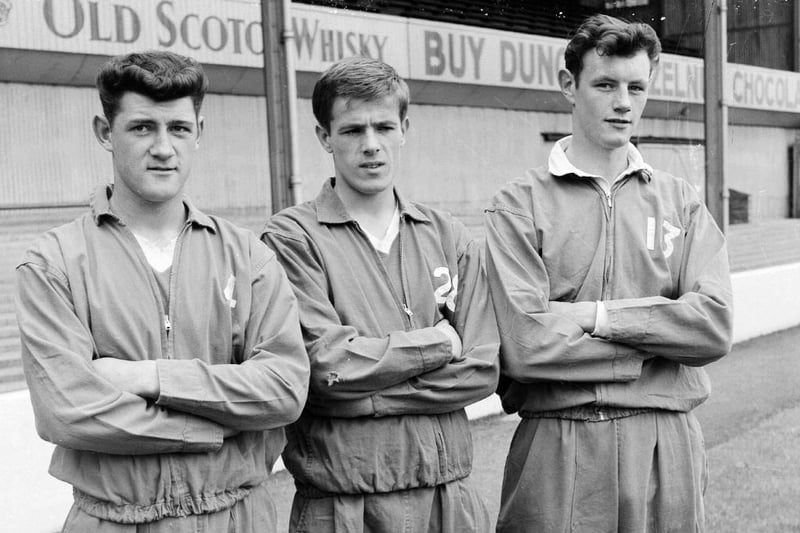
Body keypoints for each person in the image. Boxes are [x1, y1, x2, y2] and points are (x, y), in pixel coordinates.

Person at [15, 50, 310, 532]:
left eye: (178, 128)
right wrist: (217, 425)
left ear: (200, 132)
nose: (163, 147)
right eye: (142, 128)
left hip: (238, 517)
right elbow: (68, 411)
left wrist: (150, 377)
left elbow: (284, 390)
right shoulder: (53, 263)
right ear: (105, 132)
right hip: (113, 521)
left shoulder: (248, 256)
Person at [484, 15, 734, 532]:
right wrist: (662, 336)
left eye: (636, 87)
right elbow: (527, 346)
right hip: (558, 441)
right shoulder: (518, 204)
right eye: (605, 84)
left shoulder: (680, 201)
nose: (623, 102)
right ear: (568, 86)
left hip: (666, 442)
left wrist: (592, 316)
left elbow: (712, 325)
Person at [261, 56, 500, 532]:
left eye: (383, 127)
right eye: (352, 131)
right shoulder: (292, 238)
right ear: (324, 137)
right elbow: (327, 369)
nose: (370, 146)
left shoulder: (447, 234)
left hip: (448, 498)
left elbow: (482, 371)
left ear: (404, 129)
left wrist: (364, 391)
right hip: (343, 506)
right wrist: (439, 344)